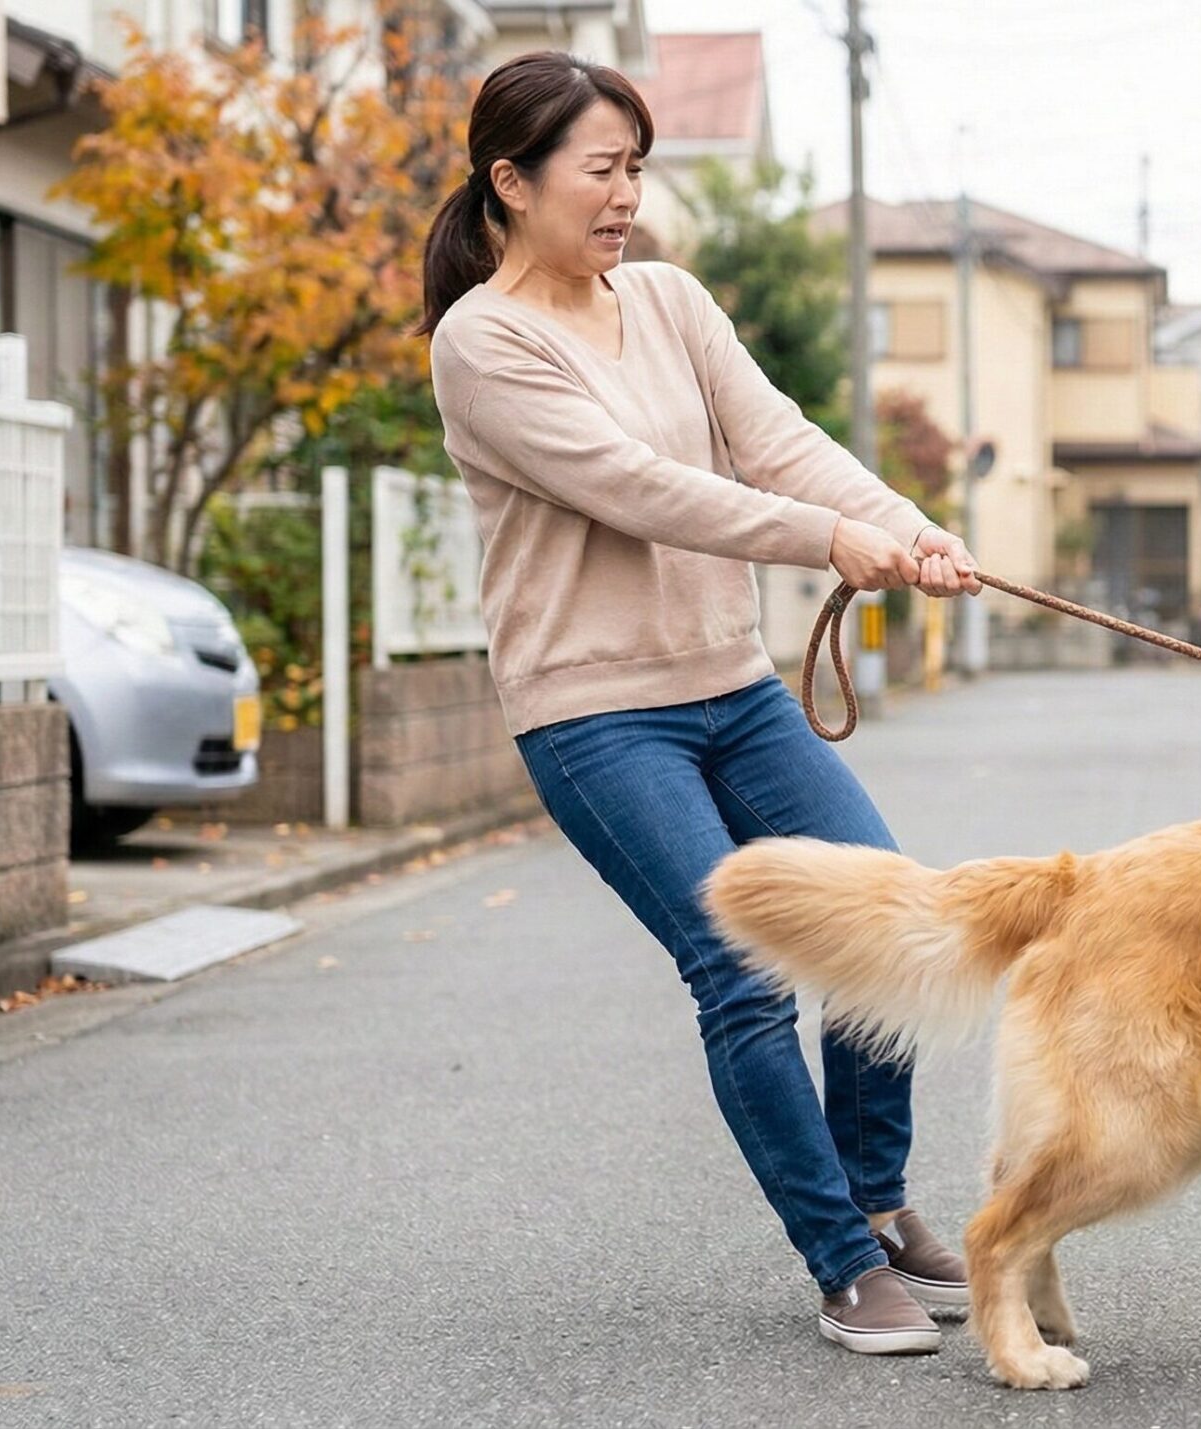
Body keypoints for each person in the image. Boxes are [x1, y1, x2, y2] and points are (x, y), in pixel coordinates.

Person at [419, 50, 980, 1357]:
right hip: (594, 715)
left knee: (887, 914)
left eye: (635, 168)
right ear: (511, 181)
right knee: (738, 972)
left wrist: (911, 529)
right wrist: (830, 543)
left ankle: (879, 1195)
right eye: (599, 169)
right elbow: (638, 486)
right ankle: (841, 1262)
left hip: (731, 685)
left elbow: (778, 439)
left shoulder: (668, 301)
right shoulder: (483, 344)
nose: (624, 195)